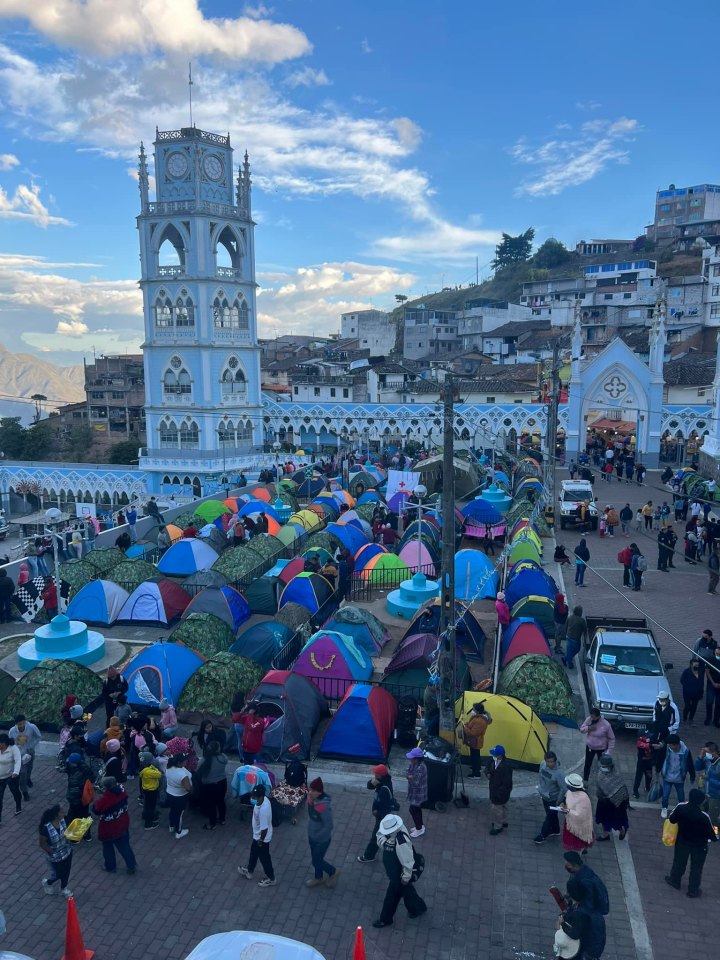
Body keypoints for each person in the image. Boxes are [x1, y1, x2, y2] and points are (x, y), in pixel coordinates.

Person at [372, 814, 426, 928]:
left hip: (398, 874)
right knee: (407, 891)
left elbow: (407, 861)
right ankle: (418, 908)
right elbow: (380, 836)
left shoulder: (401, 842)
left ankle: (385, 919)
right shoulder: (398, 831)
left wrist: (405, 878)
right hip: (395, 871)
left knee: (392, 896)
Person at [665, 787, 718, 897]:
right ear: (700, 801)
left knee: (679, 862)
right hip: (699, 846)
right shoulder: (704, 817)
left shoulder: (681, 808)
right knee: (696, 867)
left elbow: (672, 819)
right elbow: (712, 836)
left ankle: (675, 880)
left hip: (683, 841)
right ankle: (693, 890)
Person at [93, 776, 137, 874]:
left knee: (107, 846)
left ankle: (110, 866)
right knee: (125, 846)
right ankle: (131, 865)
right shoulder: (122, 790)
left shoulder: (105, 800)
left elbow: (96, 810)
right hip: (123, 822)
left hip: (109, 827)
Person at [237, 783, 276, 887]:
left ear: (261, 796)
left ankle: (271, 878)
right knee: (254, 853)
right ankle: (249, 871)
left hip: (261, 838)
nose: (252, 799)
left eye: (255, 797)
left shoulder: (264, 810)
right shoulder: (263, 800)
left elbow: (264, 828)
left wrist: (260, 840)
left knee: (264, 858)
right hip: (257, 835)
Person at [358, 763, 397, 863]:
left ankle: (369, 856)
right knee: (384, 834)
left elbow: (385, 808)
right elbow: (369, 786)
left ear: (380, 775)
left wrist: (377, 813)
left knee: (376, 837)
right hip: (381, 815)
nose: (373, 773)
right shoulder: (381, 781)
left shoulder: (384, 789)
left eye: (375, 772)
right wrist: (372, 783)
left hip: (382, 817)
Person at [305, 776, 338, 888]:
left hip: (321, 840)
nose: (310, 792)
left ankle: (333, 872)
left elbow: (329, 825)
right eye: (310, 789)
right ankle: (318, 877)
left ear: (319, 793)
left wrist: (317, 835)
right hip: (312, 836)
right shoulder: (311, 800)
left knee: (316, 861)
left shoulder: (324, 807)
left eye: (313, 791)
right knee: (316, 859)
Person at [38, 804, 74, 898]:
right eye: (61, 812)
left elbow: (70, 831)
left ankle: (64, 888)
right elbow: (42, 843)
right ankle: (48, 882)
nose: (63, 813)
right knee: (59, 873)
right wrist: (51, 852)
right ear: (56, 815)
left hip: (67, 851)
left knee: (67, 871)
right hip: (55, 857)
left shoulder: (64, 820)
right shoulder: (46, 829)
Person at [595, 754, 629, 841]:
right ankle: (605, 834)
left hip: (615, 803)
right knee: (603, 819)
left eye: (604, 766)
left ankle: (621, 830)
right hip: (603, 801)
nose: (602, 767)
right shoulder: (601, 774)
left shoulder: (615, 773)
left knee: (615, 820)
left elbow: (621, 787)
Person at [534, 751, 565, 844]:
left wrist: (559, 801)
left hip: (553, 799)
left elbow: (563, 788)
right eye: (548, 761)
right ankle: (556, 830)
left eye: (552, 762)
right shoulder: (542, 765)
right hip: (544, 796)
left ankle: (543, 834)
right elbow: (540, 777)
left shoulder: (559, 773)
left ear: (555, 761)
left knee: (549, 816)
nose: (550, 764)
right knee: (551, 815)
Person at [661, 733, 695, 818]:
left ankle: (681, 810)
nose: (669, 746)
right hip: (667, 776)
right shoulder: (667, 748)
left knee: (681, 796)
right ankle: (664, 808)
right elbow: (660, 758)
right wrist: (658, 770)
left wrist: (692, 775)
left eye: (670, 745)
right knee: (665, 795)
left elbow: (690, 763)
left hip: (679, 778)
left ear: (675, 745)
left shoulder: (686, 751)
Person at [9, 713, 41, 801]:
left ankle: (28, 778)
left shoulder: (32, 727)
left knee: (29, 768)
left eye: (23, 723)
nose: (21, 726)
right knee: (22, 773)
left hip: (30, 752)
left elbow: (38, 737)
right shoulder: (12, 731)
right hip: (19, 754)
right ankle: (25, 792)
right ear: (16, 724)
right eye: (19, 724)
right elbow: (10, 743)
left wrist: (31, 745)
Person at [560, 774, 594, 854]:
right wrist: (562, 804)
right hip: (571, 821)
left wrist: (568, 811)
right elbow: (566, 800)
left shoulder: (583, 798)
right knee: (576, 842)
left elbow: (580, 814)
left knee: (578, 842)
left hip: (580, 825)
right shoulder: (570, 792)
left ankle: (579, 855)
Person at [197, 740, 228, 831]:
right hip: (222, 782)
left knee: (211, 805)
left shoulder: (205, 760)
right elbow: (224, 756)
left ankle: (212, 824)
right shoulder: (223, 758)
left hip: (209, 785)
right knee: (221, 802)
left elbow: (197, 768)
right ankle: (222, 819)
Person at [580, 708, 615, 782]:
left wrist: (609, 752)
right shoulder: (589, 719)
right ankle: (585, 781)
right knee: (587, 765)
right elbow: (581, 729)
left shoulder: (606, 725)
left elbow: (612, 738)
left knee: (602, 766)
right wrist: (588, 728)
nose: (591, 718)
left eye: (593, 717)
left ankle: (602, 781)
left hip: (601, 749)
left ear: (598, 716)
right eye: (591, 716)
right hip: (590, 747)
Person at [65, 753, 93, 842]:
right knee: (85, 815)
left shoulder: (75, 776)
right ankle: (87, 836)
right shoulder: (85, 767)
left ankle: (74, 838)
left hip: (77, 800)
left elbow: (73, 791)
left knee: (75, 818)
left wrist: (70, 799)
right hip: (86, 797)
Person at [487, 744, 512, 835]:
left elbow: (507, 783)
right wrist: (488, 773)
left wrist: (498, 793)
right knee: (504, 807)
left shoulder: (506, 767)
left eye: (495, 754)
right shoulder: (493, 761)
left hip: (499, 792)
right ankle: (504, 821)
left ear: (500, 755)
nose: (493, 756)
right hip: (498, 791)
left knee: (497, 810)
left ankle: (498, 826)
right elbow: (488, 768)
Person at [166, 753, 192, 839]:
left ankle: (171, 826)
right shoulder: (182, 775)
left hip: (170, 793)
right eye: (184, 761)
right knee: (179, 814)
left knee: (172, 810)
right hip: (180, 796)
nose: (186, 761)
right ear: (178, 763)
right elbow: (188, 788)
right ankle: (179, 832)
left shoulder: (169, 767)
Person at [462, 701, 491, 778]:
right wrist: (467, 725)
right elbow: (472, 724)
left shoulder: (480, 720)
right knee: (475, 755)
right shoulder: (478, 718)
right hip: (475, 741)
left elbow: (473, 733)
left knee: (475, 756)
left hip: (475, 741)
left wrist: (465, 728)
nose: (472, 711)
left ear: (477, 711)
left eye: (473, 709)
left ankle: (476, 773)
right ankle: (476, 767)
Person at [695, 741, 720, 829]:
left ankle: (714, 833)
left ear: (714, 752)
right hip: (705, 792)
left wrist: (708, 778)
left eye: (707, 753)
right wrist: (700, 756)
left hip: (715, 795)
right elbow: (697, 767)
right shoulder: (707, 760)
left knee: (713, 817)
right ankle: (704, 829)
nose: (706, 755)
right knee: (702, 812)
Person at [405, 748, 428, 838]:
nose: (410, 759)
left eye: (412, 758)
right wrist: (409, 776)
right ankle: (420, 826)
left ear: (416, 759)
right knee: (417, 809)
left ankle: (419, 829)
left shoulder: (421, 767)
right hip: (414, 792)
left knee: (413, 809)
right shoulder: (413, 764)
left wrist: (410, 777)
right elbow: (408, 772)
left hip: (418, 794)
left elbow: (415, 782)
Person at [0, 732, 22, 821]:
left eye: (2, 745)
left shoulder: (13, 748)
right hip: (0, 778)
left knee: (15, 791)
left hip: (11, 776)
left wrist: (16, 772)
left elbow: (18, 760)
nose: (0, 747)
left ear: (6, 743)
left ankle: (18, 806)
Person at [139, 752, 162, 831]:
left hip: (146, 790)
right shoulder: (148, 771)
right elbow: (159, 774)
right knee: (150, 807)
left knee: (148, 805)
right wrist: (154, 768)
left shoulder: (144, 769)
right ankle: (148, 824)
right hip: (151, 790)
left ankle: (146, 816)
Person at [680, 658, 705, 724]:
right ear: (691, 665)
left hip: (697, 693)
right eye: (695, 665)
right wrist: (688, 687)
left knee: (694, 706)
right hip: (687, 693)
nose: (697, 666)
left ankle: (691, 719)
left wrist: (701, 692)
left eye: (698, 665)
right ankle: (685, 718)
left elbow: (702, 683)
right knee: (687, 706)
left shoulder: (700, 672)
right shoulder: (686, 672)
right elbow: (682, 680)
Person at [565, 606, 587, 671]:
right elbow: (585, 630)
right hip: (576, 639)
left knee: (569, 650)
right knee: (577, 649)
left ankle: (567, 659)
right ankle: (569, 662)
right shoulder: (582, 620)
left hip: (568, 636)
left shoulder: (569, 617)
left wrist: (566, 633)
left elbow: (566, 626)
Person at [705, 644, 720, 727]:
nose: (717, 655)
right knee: (709, 702)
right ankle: (708, 718)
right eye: (716, 654)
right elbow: (707, 672)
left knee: (718, 704)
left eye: (719, 654)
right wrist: (713, 683)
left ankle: (716, 720)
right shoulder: (710, 660)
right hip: (711, 684)